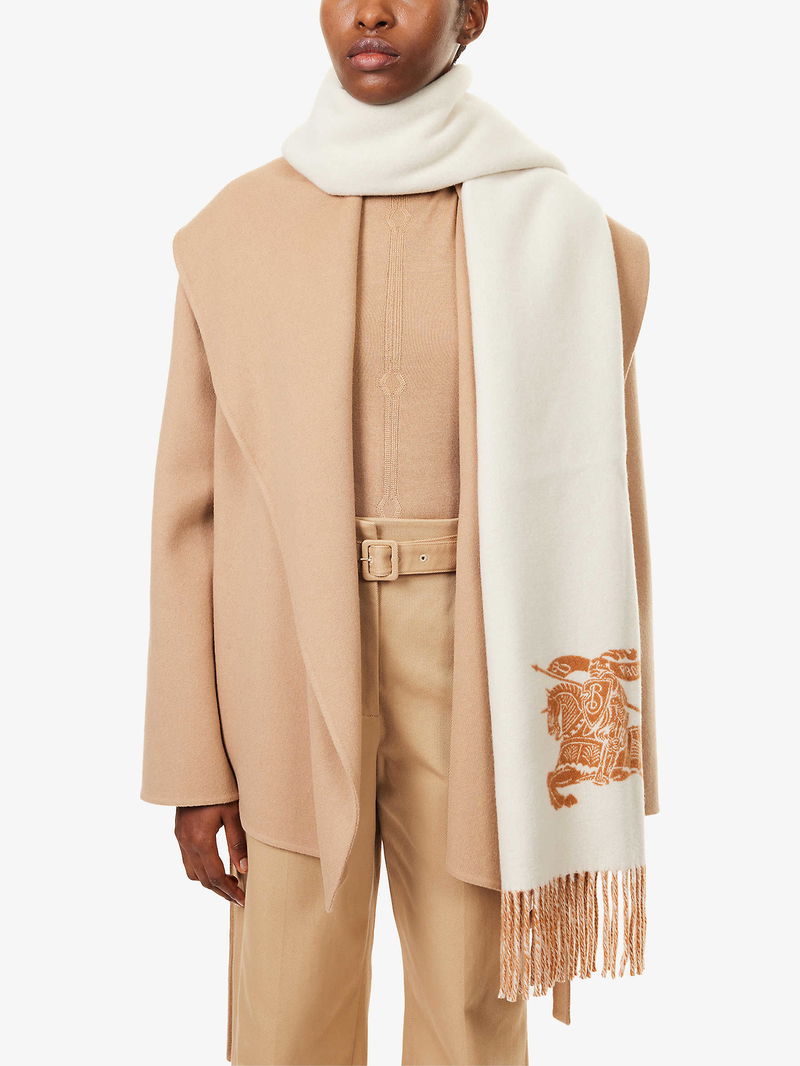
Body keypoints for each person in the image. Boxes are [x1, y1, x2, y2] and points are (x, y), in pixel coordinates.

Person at [141, 2, 659, 1063]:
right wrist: (192, 758)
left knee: (473, 1000)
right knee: (287, 1002)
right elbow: (185, 516)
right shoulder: (236, 232)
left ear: (471, 15)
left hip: (480, 652)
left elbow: (608, 502)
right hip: (282, 656)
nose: (370, 12)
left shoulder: (555, 231)